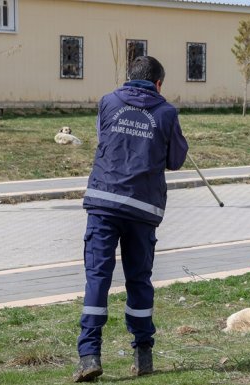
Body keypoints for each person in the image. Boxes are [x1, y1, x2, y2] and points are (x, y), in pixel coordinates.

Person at [74, 56, 189, 382]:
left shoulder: (108, 102)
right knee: (138, 280)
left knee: (98, 278)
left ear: (128, 78)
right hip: (142, 208)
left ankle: (89, 355)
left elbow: (104, 138)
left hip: (104, 204)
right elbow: (176, 159)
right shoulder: (166, 113)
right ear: (158, 84)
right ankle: (143, 352)